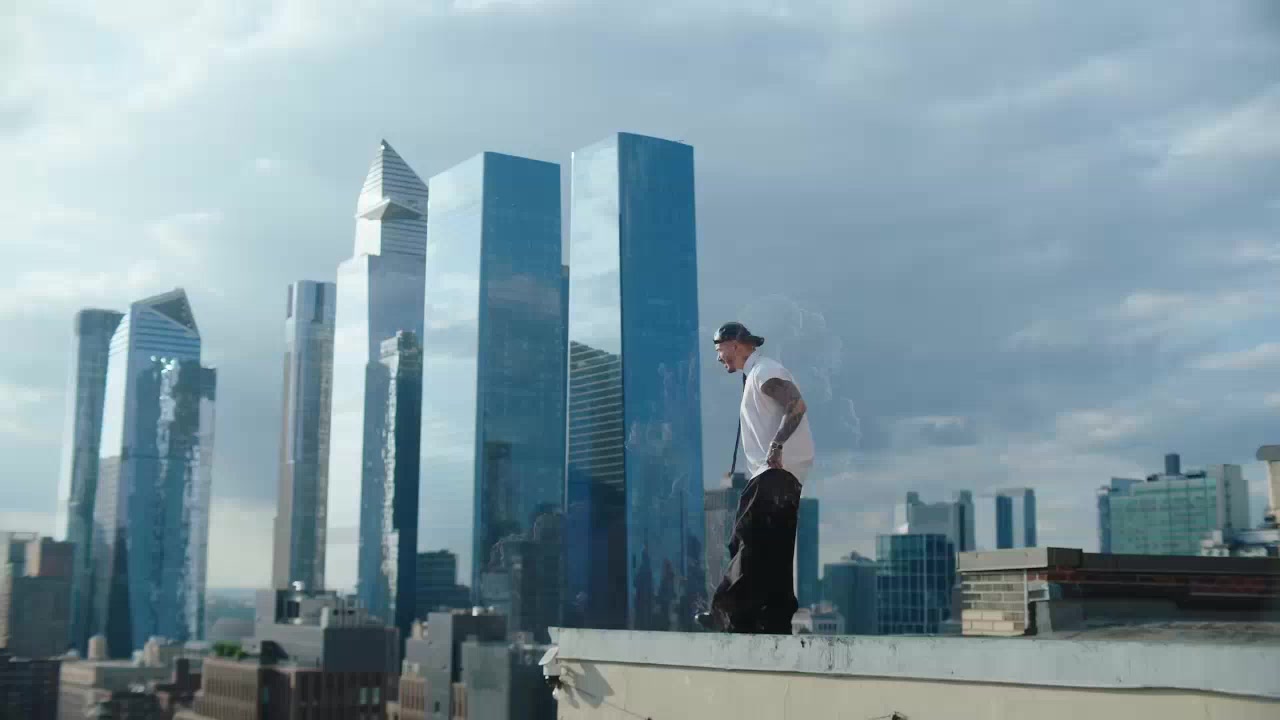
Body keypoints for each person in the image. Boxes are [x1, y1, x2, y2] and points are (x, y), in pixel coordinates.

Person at [697, 321, 815, 634]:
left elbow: (796, 404)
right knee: (774, 551)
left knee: (747, 539)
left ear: (735, 344)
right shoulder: (758, 373)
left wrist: (776, 445)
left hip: (774, 473)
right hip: (786, 476)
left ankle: (728, 615)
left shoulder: (764, 370)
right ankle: (772, 622)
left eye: (719, 349)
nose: (718, 357)